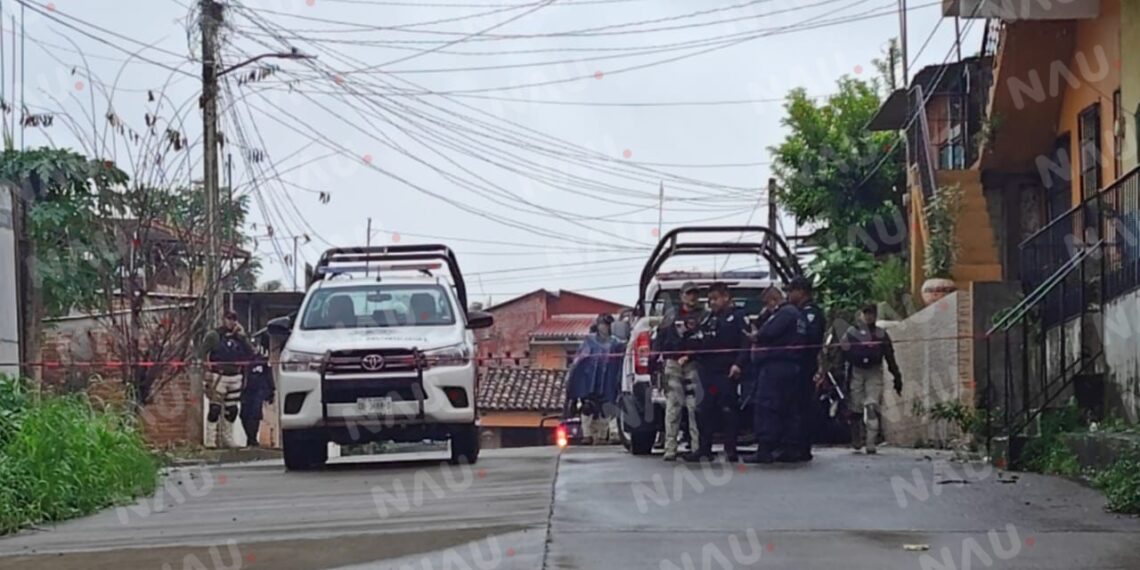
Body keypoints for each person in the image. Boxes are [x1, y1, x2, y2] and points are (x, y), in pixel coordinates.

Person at [744, 286, 806, 464]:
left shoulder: (784, 313)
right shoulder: (797, 315)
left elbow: (766, 333)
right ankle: (789, 448)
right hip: (792, 367)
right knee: (788, 409)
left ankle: (765, 449)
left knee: (767, 407)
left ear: (773, 300)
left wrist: (756, 335)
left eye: (766, 304)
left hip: (776, 368)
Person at [690, 282, 748, 462]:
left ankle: (730, 449)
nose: (712, 303)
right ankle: (704, 449)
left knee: (728, 410)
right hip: (707, 372)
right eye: (710, 300)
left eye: (715, 299)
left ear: (726, 297)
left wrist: (738, 364)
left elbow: (745, 343)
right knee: (704, 410)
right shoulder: (708, 319)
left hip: (726, 371)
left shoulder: (737, 316)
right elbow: (699, 340)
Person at [840, 304, 903, 455]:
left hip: (874, 371)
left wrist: (896, 376)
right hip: (856, 371)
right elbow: (841, 352)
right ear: (860, 314)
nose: (869, 317)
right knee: (855, 406)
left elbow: (890, 355)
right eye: (866, 313)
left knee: (872, 405)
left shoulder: (881, 334)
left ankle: (870, 442)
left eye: (871, 314)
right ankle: (856, 435)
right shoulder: (851, 332)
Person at [655, 282, 706, 461]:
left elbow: (706, 341)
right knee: (673, 407)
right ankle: (670, 448)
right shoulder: (670, 316)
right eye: (689, 294)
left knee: (694, 407)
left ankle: (696, 447)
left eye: (695, 294)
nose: (692, 297)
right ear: (682, 296)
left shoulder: (704, 315)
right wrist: (656, 363)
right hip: (673, 364)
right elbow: (659, 340)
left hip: (695, 365)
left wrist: (691, 355)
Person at [566, 314, 626, 445]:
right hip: (589, 379)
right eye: (602, 324)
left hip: (609, 379)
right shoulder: (589, 341)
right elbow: (580, 360)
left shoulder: (616, 343)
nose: (605, 327)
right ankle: (587, 434)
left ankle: (607, 434)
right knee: (587, 407)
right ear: (598, 326)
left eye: (607, 325)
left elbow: (622, 359)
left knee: (609, 406)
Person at [203, 311, 255, 448]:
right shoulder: (214, 335)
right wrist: (206, 370)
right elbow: (201, 352)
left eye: (233, 319)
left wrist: (242, 337)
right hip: (219, 375)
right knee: (215, 408)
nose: (231, 322)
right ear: (223, 319)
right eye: (228, 319)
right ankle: (210, 440)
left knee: (232, 410)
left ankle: (228, 439)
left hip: (235, 376)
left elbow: (251, 353)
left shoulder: (240, 337)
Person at [787, 277, 825, 463]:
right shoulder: (800, 312)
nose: (789, 295)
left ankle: (801, 448)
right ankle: (795, 445)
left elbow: (810, 337)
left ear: (801, 292)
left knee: (801, 407)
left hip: (804, 365)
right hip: (798, 366)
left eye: (791, 291)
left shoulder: (810, 313)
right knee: (795, 406)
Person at [240, 340, 276, 448]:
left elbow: (269, 375)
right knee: (244, 414)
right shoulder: (243, 360)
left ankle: (253, 439)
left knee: (255, 414)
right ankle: (249, 437)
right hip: (246, 390)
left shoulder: (263, 361)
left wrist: (271, 390)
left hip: (259, 389)